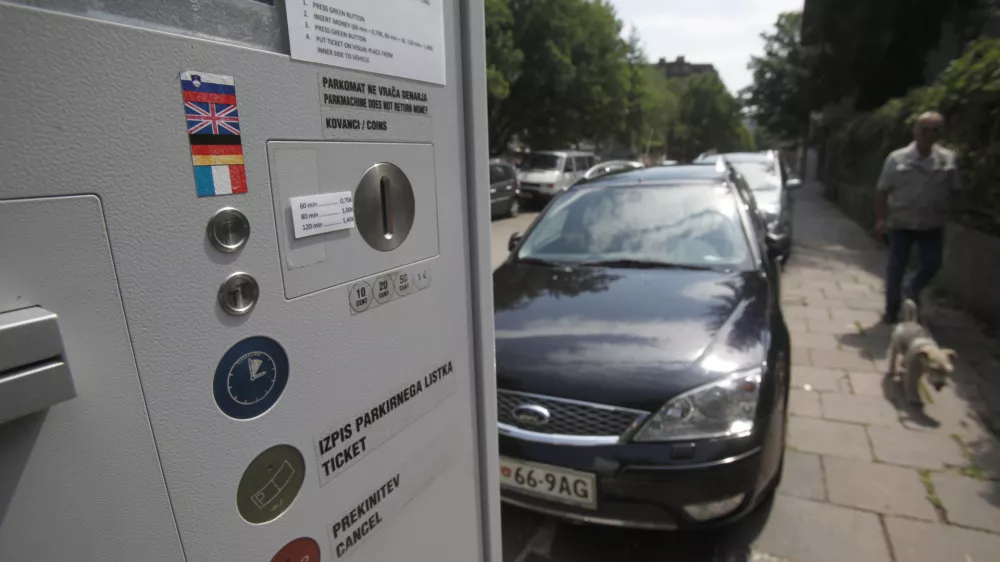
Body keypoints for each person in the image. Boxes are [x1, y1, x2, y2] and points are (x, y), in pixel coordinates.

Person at [875, 111, 963, 323]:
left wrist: (955, 214)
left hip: (932, 224)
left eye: (935, 130)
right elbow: (882, 189)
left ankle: (912, 288)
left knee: (933, 263)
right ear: (915, 131)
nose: (929, 134)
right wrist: (880, 219)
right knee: (896, 266)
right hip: (902, 222)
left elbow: (956, 190)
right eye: (924, 129)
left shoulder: (947, 159)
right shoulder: (897, 159)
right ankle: (892, 309)